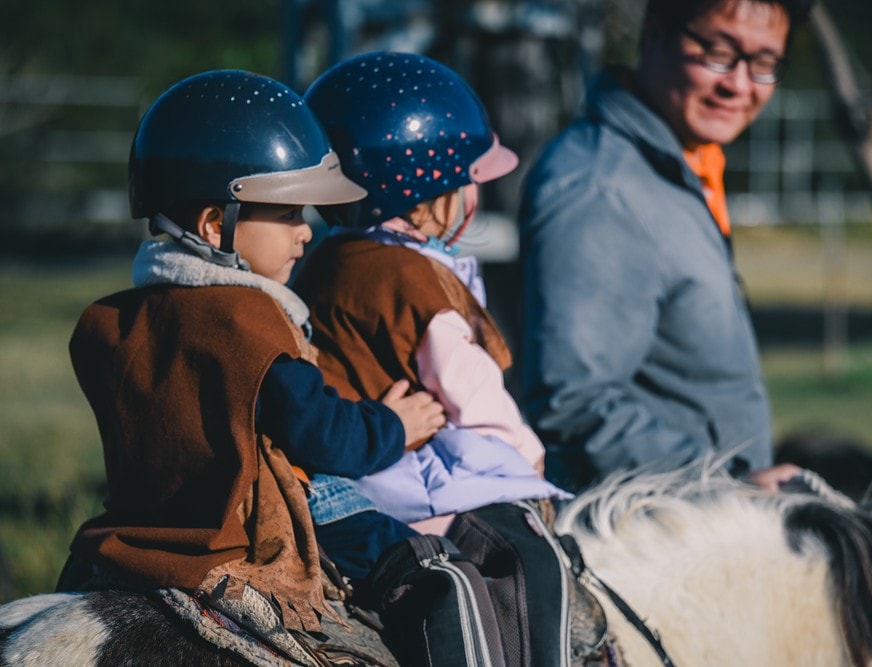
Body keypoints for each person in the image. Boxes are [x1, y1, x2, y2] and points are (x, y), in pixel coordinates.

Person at [56, 70, 446, 657]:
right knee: (437, 570)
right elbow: (325, 438)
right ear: (217, 225)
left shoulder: (112, 319)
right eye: (288, 214)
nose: (305, 233)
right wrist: (394, 426)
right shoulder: (250, 321)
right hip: (245, 527)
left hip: (134, 527)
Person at [294, 52, 599, 667]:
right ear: (425, 194)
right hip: (407, 482)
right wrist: (527, 459)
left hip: (351, 469)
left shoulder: (326, 260)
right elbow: (469, 390)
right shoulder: (412, 279)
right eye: (468, 179)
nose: (474, 192)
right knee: (531, 559)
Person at [518, 0, 812, 494]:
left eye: (764, 62)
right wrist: (730, 485)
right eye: (719, 52)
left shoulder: (685, 163)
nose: (739, 84)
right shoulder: (602, 189)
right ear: (654, 34)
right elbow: (572, 403)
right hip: (654, 528)